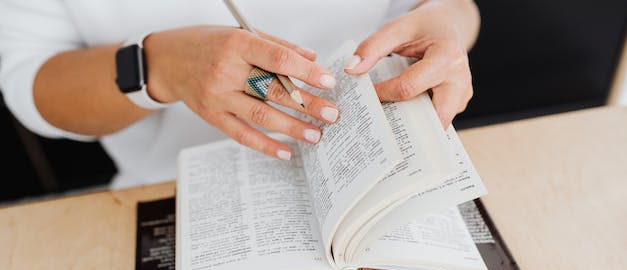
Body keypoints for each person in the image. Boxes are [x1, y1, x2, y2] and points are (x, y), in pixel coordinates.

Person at [0, 0, 479, 188]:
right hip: (174, 194)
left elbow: (448, 8)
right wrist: (158, 67)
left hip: (389, 176)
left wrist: (447, 27)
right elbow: (33, 85)